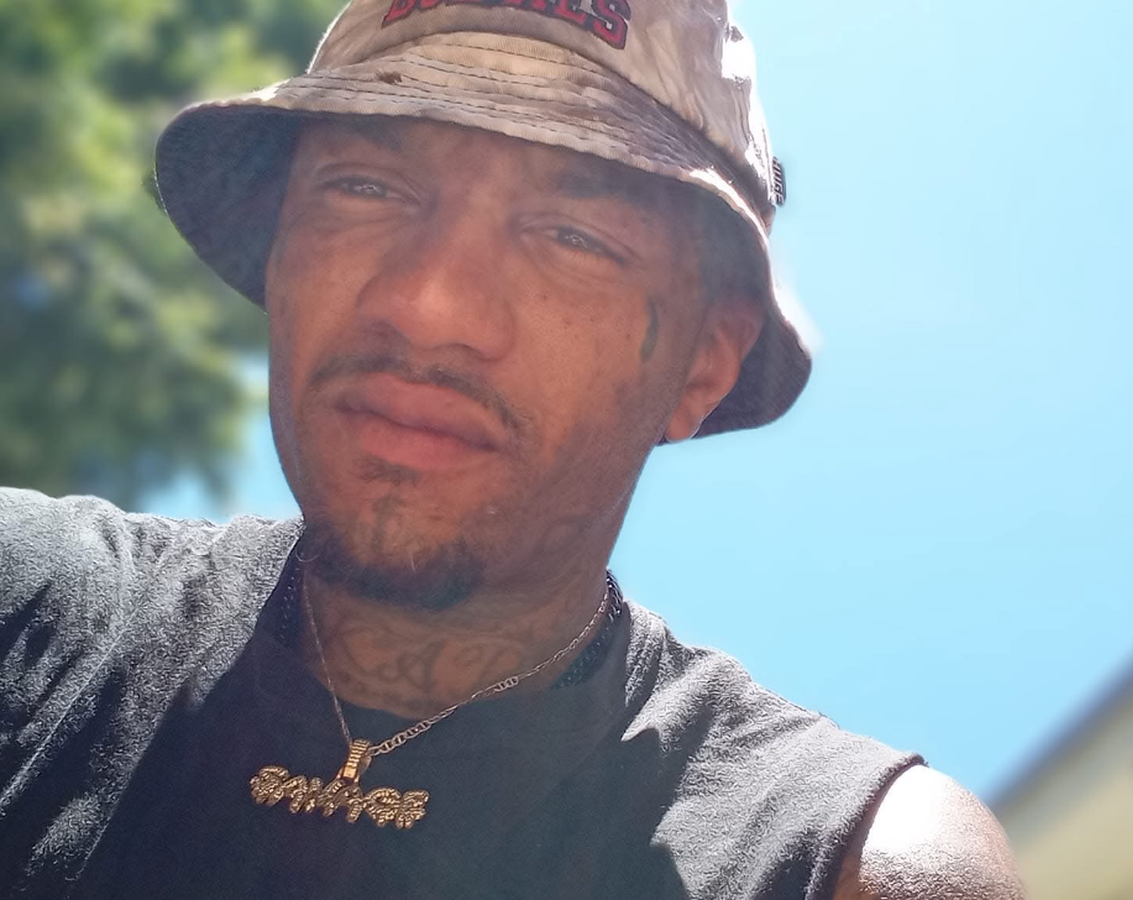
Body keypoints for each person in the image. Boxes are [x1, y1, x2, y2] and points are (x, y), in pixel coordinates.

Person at [0, 0, 1026, 897]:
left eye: (575, 237)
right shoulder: (29, 603)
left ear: (701, 368)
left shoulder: (839, 862)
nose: (426, 302)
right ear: (278, 252)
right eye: (365, 188)